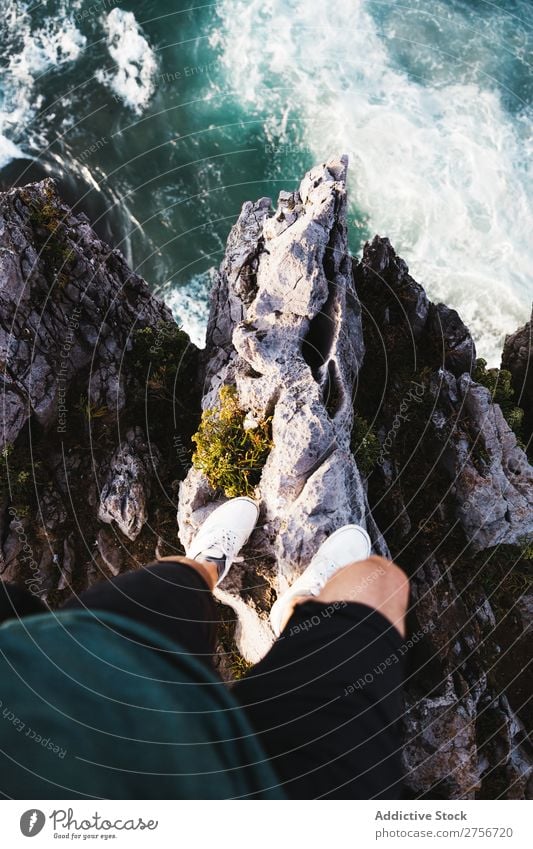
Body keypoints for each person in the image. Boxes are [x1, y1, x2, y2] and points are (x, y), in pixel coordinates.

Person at [0, 497, 409, 799]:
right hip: (282, 801)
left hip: (84, 673)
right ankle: (298, 612)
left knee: (178, 580)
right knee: (378, 582)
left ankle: (210, 564)